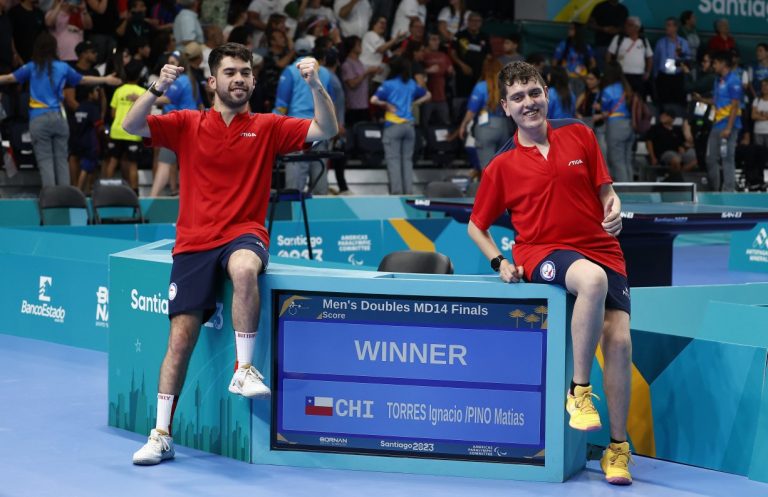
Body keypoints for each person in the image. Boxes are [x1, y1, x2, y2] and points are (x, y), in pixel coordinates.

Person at [123, 41, 337, 465]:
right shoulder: (186, 122)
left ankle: (243, 370)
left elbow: (324, 129)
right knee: (180, 340)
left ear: (253, 81)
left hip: (244, 232)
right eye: (229, 73)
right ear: (211, 82)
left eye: (244, 73)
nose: (238, 79)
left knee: (244, 269)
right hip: (193, 243)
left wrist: (316, 85)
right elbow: (133, 126)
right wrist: (155, 87)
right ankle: (161, 434)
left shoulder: (268, 125)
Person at [468, 60, 633, 486]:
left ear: (547, 93)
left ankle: (617, 448)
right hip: (542, 252)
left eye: (534, 93)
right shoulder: (501, 166)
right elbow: (476, 225)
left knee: (618, 340)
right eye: (518, 97)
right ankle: (579, 393)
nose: (529, 103)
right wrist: (498, 261)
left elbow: (605, 190)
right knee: (590, 280)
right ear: (506, 107)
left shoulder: (579, 133)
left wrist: (613, 210)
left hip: (602, 247)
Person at [0, 32, 120, 187]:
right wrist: (105, 79)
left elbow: (9, 78)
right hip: (59, 118)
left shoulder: (32, 66)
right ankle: (64, 200)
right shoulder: (63, 67)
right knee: (61, 160)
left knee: (45, 161)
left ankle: (51, 201)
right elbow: (83, 80)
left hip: (39, 118)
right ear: (54, 49)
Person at [273, 42, 336, 194]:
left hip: (296, 131)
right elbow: (330, 103)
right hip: (320, 130)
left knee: (294, 185)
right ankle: (320, 215)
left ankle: (296, 215)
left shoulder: (289, 71)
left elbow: (281, 105)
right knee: (320, 182)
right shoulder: (326, 73)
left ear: (294, 52)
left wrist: (275, 132)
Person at [370, 57, 430, 194]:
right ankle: (408, 192)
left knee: (393, 161)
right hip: (409, 127)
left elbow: (373, 99)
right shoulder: (411, 84)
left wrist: (385, 104)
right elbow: (428, 94)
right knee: (407, 161)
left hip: (393, 126)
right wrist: (415, 103)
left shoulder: (388, 84)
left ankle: (397, 194)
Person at [149, 49, 203, 197]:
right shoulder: (192, 80)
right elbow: (200, 105)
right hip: (191, 125)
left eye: (173, 62)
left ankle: (152, 198)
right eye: (169, 62)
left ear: (181, 64)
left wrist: (142, 98)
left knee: (165, 162)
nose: (170, 65)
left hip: (181, 125)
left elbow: (166, 99)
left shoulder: (179, 81)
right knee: (180, 162)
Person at [695, 51, 743, 191]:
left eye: (715, 63)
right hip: (716, 124)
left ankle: (728, 190)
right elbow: (716, 101)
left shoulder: (734, 81)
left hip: (729, 125)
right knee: (710, 158)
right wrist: (701, 100)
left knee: (727, 157)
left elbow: (735, 106)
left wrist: (728, 127)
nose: (713, 65)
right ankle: (715, 190)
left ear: (723, 64)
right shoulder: (718, 80)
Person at [104, 60, 146, 193]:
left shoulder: (118, 90)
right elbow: (147, 114)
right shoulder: (143, 92)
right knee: (133, 164)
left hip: (116, 131)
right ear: (139, 76)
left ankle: (106, 190)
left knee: (113, 161)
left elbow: (113, 113)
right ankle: (134, 193)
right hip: (133, 133)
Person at [458, 57, 507, 169]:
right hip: (505, 126)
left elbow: (471, 112)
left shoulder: (480, 87)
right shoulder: (506, 87)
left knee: (487, 168)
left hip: (486, 127)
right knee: (504, 168)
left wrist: (463, 126)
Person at [598, 61, 635, 182]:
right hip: (629, 125)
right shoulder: (626, 87)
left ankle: (625, 193)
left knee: (617, 161)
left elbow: (605, 110)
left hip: (615, 125)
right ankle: (633, 191)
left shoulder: (608, 90)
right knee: (627, 160)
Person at [606, 16, 652, 99]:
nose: (626, 27)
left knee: (638, 98)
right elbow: (609, 54)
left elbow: (649, 57)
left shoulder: (643, 40)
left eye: (629, 25)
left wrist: (648, 72)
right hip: (622, 74)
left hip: (638, 75)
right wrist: (610, 70)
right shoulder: (618, 38)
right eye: (626, 24)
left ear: (637, 28)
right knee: (621, 96)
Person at [645, 109, 697, 181]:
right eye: (662, 115)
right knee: (675, 160)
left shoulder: (677, 130)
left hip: (678, 152)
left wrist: (682, 147)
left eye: (666, 115)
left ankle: (677, 175)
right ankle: (675, 180)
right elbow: (649, 142)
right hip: (664, 153)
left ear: (672, 118)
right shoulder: (655, 128)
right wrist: (653, 157)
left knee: (696, 158)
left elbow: (682, 143)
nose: (662, 117)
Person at [652, 17, 690, 115]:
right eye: (666, 25)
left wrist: (680, 61)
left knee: (678, 103)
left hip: (677, 77)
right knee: (663, 104)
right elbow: (656, 60)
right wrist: (656, 76)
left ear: (675, 27)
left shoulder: (683, 43)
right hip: (663, 77)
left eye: (669, 25)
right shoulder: (660, 42)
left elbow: (687, 60)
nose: (666, 28)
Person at [587, 0, 628, 71]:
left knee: (617, 72)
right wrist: (603, 29)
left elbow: (627, 28)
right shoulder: (600, 7)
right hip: (602, 45)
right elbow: (590, 25)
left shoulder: (623, 9)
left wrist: (617, 30)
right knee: (601, 71)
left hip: (618, 47)